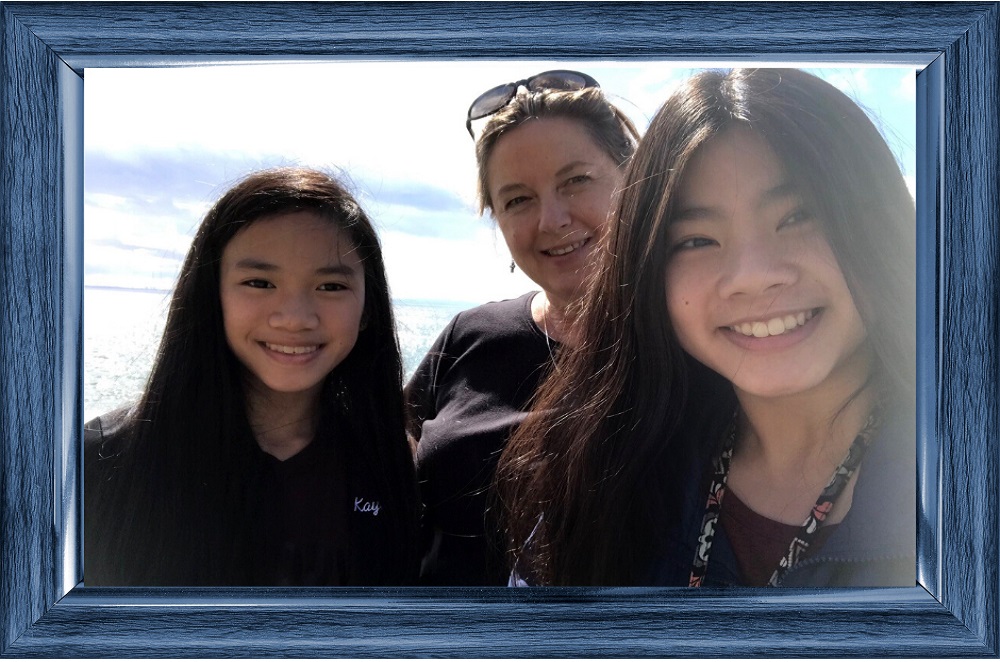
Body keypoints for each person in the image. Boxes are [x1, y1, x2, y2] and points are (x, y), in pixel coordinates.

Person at [497, 68, 916, 587]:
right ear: (647, 271)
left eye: (800, 216)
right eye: (696, 240)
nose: (751, 277)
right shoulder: (605, 470)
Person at [85, 167, 421, 586]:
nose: (295, 319)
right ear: (212, 295)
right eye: (259, 282)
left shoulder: (390, 459)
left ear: (368, 307)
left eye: (331, 286)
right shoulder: (103, 458)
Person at [404, 70, 641, 584]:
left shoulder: (687, 349)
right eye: (517, 199)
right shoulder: (470, 335)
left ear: (633, 181)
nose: (551, 219)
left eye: (575, 181)